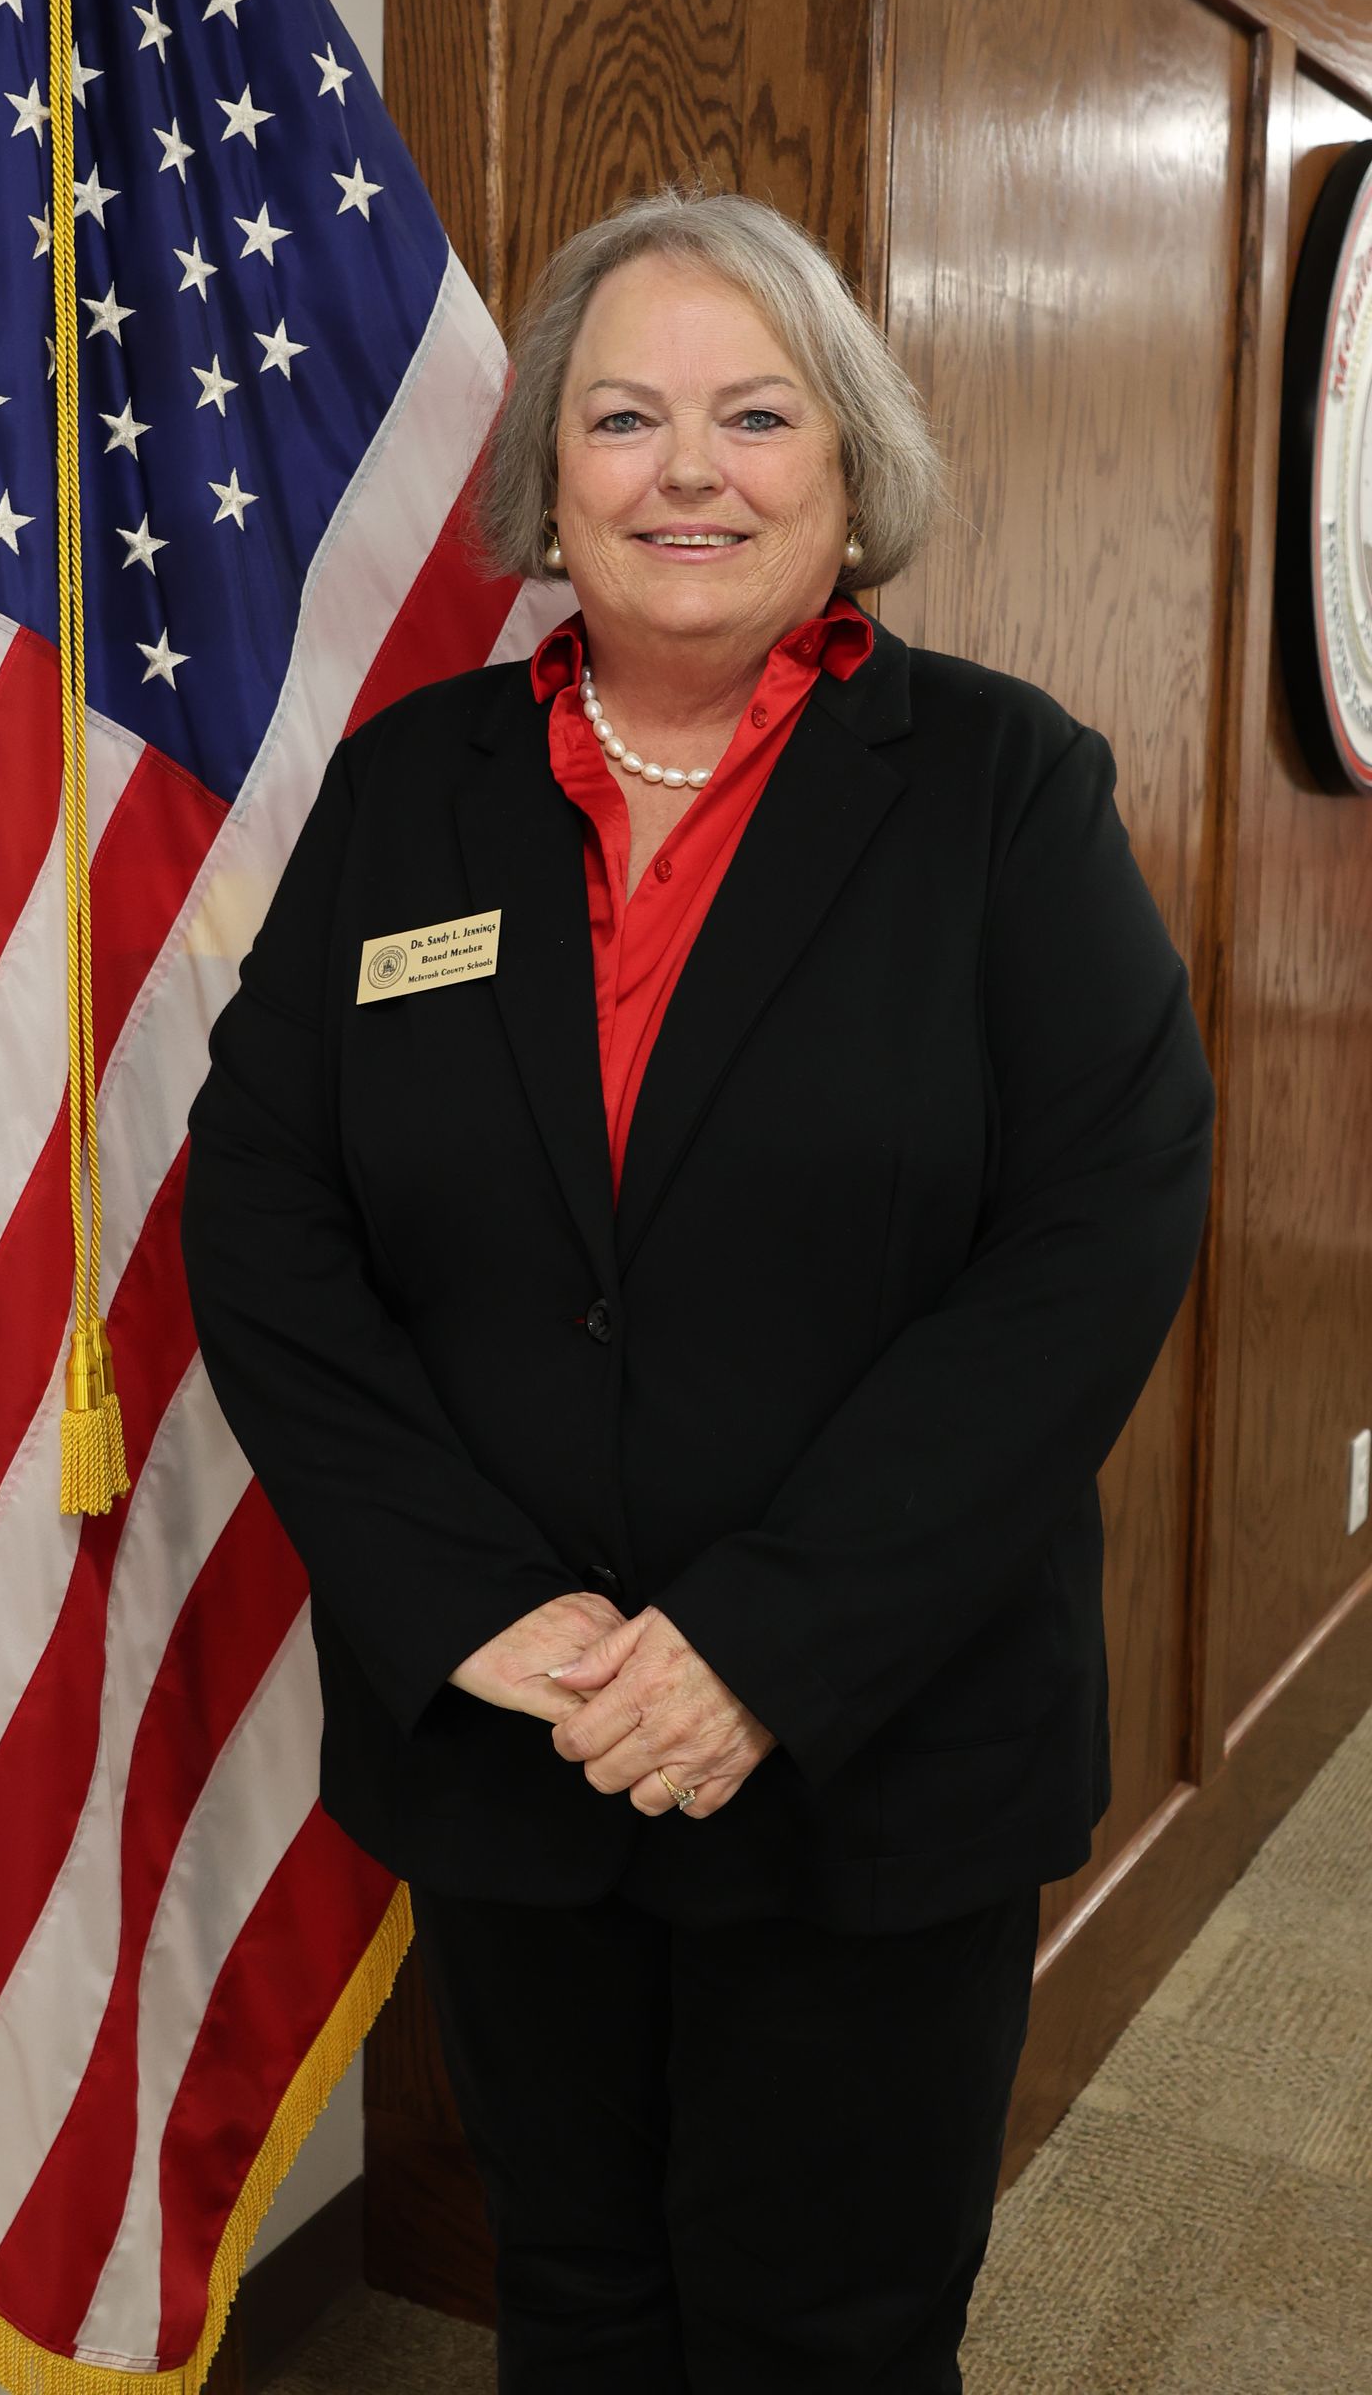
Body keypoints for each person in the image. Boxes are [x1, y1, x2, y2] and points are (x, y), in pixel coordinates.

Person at [179, 187, 1215, 2393]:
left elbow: (1098, 1229)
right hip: (521, 1738)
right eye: (626, 416)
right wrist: (465, 1603)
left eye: (756, 416)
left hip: (872, 1752)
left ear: (850, 474)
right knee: (568, 2300)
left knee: (828, 2334)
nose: (687, 471)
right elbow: (263, 1209)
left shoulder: (1004, 793)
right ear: (548, 472)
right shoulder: (407, 798)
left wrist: (767, 1640)